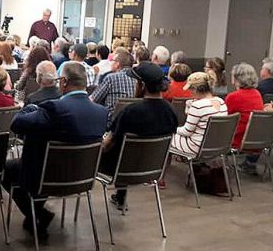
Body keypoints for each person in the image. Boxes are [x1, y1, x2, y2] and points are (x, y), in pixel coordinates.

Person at [2, 62, 108, 237]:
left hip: (46, 176)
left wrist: (29, 108)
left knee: (6, 169)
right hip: (82, 176)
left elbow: (17, 124)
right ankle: (35, 216)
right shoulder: (101, 112)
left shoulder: (54, 108)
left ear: (64, 81)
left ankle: (37, 213)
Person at [100, 62, 179, 209]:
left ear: (141, 85)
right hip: (152, 168)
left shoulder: (130, 112)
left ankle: (120, 194)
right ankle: (120, 196)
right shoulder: (171, 111)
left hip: (117, 169)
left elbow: (109, 143)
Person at [170, 72, 228, 155]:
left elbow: (187, 131)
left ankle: (166, 166)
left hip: (196, 146)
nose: (190, 92)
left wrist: (172, 128)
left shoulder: (198, 106)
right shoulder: (221, 101)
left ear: (196, 89)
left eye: (190, 89)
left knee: (166, 137)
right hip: (216, 145)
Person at [225, 63, 264, 149]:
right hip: (254, 137)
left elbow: (225, 118)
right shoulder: (257, 93)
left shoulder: (233, 96)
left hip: (237, 139)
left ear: (236, 78)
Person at [90, 51, 136, 122]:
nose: (110, 62)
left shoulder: (111, 78)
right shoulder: (138, 79)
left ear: (117, 65)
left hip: (110, 122)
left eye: (112, 60)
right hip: (131, 122)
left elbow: (94, 99)